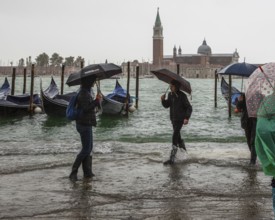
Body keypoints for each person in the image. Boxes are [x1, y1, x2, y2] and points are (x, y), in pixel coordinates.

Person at [69, 77, 102, 181]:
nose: (93, 82)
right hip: (83, 124)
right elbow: (86, 108)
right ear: (88, 82)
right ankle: (73, 172)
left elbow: (88, 106)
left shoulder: (86, 92)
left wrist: (96, 100)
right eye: (92, 81)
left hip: (87, 123)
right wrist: (96, 102)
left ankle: (87, 172)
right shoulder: (83, 94)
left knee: (89, 147)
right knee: (86, 149)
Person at [161, 79, 192, 165]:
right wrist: (163, 100)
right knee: (178, 137)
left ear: (176, 87)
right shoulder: (170, 95)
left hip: (180, 119)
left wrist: (186, 118)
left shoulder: (182, 96)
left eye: (172, 86)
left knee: (174, 136)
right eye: (170, 86)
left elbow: (189, 107)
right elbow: (167, 105)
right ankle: (185, 153)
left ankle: (172, 158)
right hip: (173, 119)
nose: (170, 87)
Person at [236, 93, 257, 165]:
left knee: (253, 141)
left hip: (256, 120)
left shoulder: (260, 96)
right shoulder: (244, 96)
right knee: (248, 140)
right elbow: (239, 108)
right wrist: (240, 101)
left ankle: (253, 161)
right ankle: (253, 156)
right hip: (246, 120)